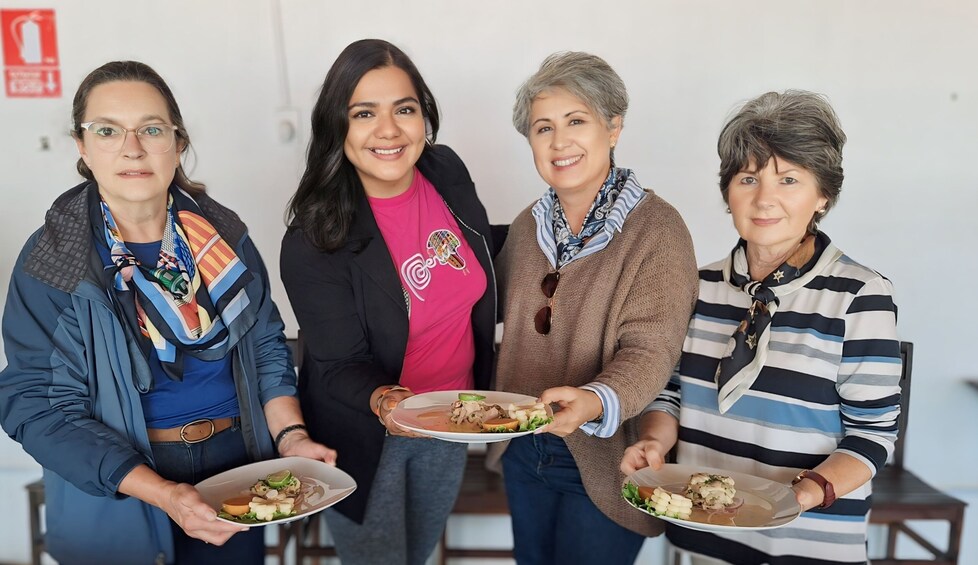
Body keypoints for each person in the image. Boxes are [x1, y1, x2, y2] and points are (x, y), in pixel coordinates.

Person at [0, 61, 336, 565]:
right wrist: (163, 492)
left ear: (178, 143)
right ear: (82, 147)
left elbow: (265, 344)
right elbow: (36, 406)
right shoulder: (54, 259)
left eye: (151, 129)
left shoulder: (225, 235)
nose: (131, 147)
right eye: (108, 130)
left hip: (235, 466)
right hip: (121, 483)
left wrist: (292, 436)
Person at [621, 90, 902, 564]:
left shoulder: (859, 295)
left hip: (805, 541)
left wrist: (798, 497)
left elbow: (872, 435)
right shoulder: (699, 284)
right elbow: (667, 392)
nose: (765, 198)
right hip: (701, 534)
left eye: (789, 179)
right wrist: (654, 441)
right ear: (727, 191)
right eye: (748, 178)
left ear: (823, 196)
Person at [280, 39, 497, 565]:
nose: (389, 130)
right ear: (338, 127)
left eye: (405, 109)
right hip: (365, 433)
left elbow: (482, 251)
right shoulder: (315, 238)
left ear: (425, 116)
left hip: (450, 415)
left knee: (417, 555)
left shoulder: (445, 172)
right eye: (363, 113)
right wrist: (385, 401)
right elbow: (337, 364)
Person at [490, 51, 699, 564]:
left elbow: (652, 351)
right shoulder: (525, 226)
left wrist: (593, 401)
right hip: (523, 449)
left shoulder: (658, 230)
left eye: (576, 121)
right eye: (543, 128)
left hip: (606, 457)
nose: (559, 142)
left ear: (613, 127)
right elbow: (477, 306)